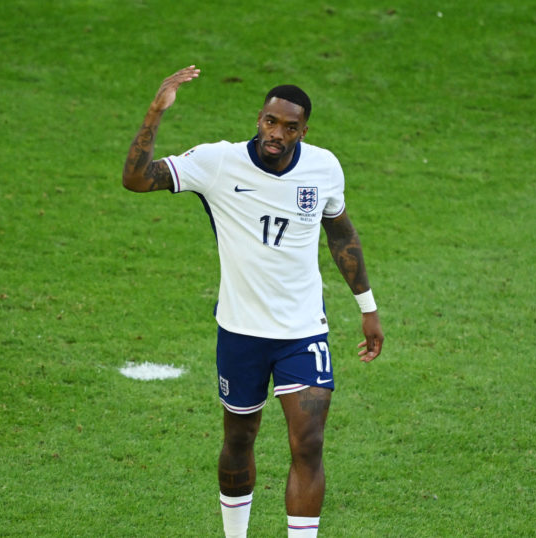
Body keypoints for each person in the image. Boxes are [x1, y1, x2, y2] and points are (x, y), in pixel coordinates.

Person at [122, 65, 384, 538]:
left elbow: (340, 231)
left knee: (308, 443)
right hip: (240, 333)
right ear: (259, 118)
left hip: (303, 332)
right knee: (239, 439)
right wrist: (154, 114)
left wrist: (367, 306)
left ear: (304, 131)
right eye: (269, 122)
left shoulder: (323, 167)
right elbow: (137, 179)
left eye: (289, 127)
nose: (276, 134)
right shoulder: (218, 163)